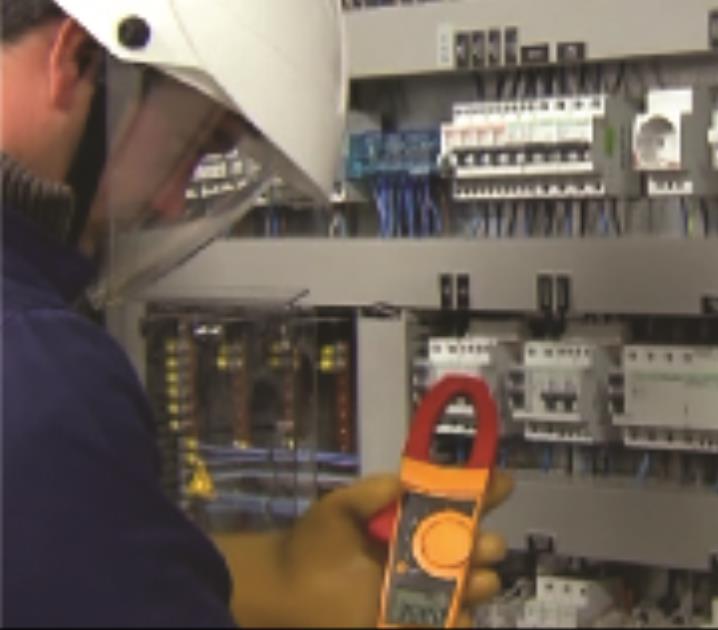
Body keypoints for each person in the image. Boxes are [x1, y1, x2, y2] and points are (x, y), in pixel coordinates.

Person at [1, 0, 511, 626]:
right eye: (194, 146)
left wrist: (275, 578)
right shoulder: (39, 372)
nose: (171, 203)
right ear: (80, 59)